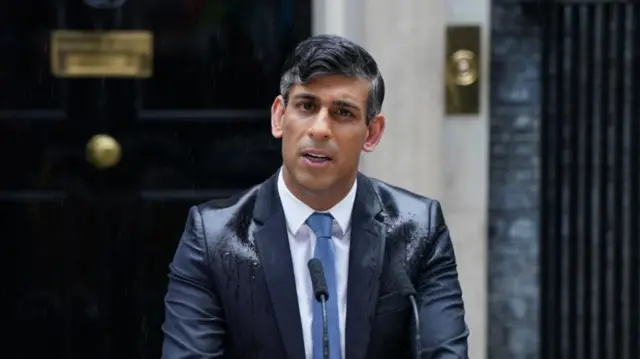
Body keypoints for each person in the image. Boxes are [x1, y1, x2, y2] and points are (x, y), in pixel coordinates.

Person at [161, 34, 469, 359]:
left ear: (372, 133)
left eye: (343, 113)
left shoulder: (419, 230)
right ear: (280, 117)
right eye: (307, 106)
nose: (320, 129)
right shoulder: (213, 238)